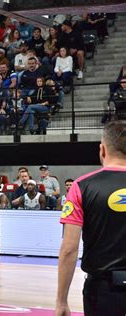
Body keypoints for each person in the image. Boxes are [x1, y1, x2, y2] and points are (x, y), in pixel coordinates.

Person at [56, 120, 126, 316]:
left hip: (103, 290)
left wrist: (61, 301)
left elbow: (69, 249)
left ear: (102, 150)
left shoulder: (82, 186)